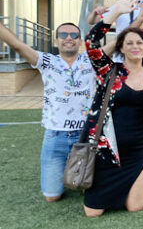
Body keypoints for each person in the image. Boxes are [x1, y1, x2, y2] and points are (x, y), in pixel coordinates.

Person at [82, 0, 143, 217]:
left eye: (140, 43)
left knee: (135, 207)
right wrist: (115, 13)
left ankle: (127, 187)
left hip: (139, 149)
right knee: (93, 213)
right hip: (106, 149)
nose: (135, 46)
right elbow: (91, 43)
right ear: (121, 48)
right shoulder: (109, 70)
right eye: (129, 43)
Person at [0, 21, 94, 202]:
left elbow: (118, 43)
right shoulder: (47, 61)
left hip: (85, 136)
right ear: (56, 40)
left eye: (74, 35)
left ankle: (77, 171)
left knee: (88, 189)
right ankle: (66, 168)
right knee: (52, 196)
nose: (69, 38)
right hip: (55, 135)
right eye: (64, 35)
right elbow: (17, 45)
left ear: (80, 41)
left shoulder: (90, 59)